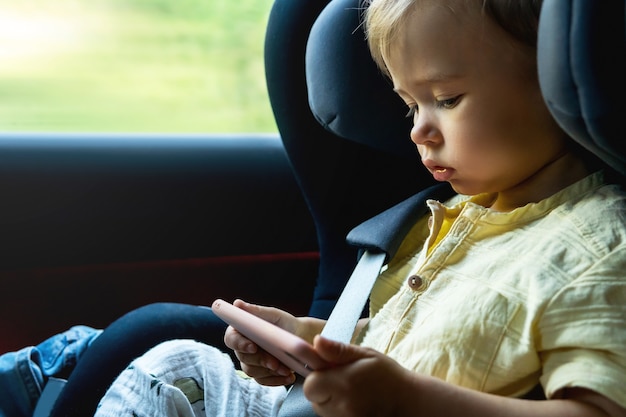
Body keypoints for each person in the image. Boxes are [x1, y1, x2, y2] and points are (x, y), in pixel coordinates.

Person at [90, 0, 626, 415]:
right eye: (409, 104)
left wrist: (408, 404)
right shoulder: (452, 219)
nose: (418, 129)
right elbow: (406, 346)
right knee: (176, 364)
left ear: (556, 76)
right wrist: (307, 342)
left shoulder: (599, 249)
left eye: (446, 99)